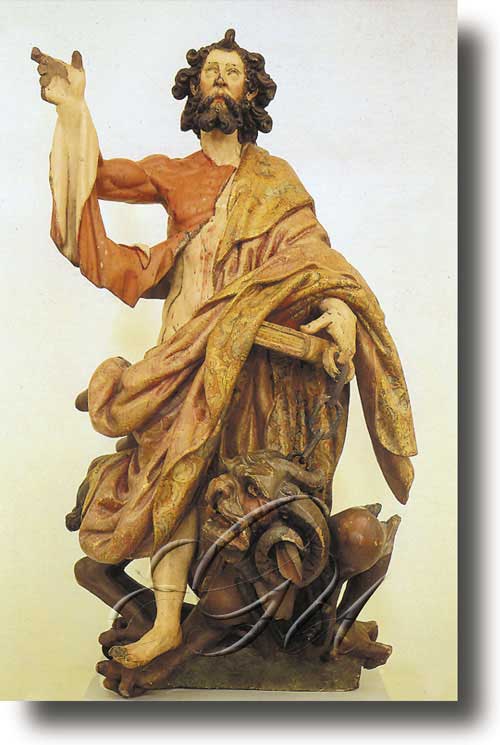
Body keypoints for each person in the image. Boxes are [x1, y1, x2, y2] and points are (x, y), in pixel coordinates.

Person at [32, 30, 416, 670]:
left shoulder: (276, 181)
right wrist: (73, 109)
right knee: (175, 477)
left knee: (250, 484)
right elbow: (89, 181)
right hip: (188, 351)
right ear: (193, 88)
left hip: (263, 366)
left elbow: (314, 260)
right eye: (210, 70)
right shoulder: (173, 172)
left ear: (251, 94)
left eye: (231, 72)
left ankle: (277, 618)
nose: (219, 79)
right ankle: (164, 623)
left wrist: (343, 311)